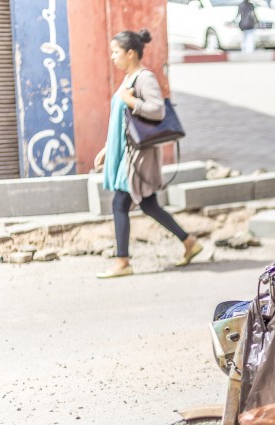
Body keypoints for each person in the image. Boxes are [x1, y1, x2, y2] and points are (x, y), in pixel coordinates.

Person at [93, 29, 202, 279]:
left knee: (120, 202)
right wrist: (107, 148)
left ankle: (122, 261)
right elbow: (124, 122)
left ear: (131, 53)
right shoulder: (130, 78)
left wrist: (130, 100)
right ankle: (189, 242)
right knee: (148, 203)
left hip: (138, 156)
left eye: (115, 52)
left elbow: (157, 110)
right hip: (127, 152)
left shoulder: (144, 78)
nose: (112, 57)